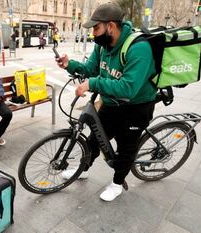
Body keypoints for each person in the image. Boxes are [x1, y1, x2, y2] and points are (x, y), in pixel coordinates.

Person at [56, 3, 156, 202]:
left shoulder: (139, 48)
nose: (93, 33)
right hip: (111, 104)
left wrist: (92, 84)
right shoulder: (103, 46)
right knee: (95, 138)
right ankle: (83, 169)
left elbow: (128, 87)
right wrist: (70, 65)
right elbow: (92, 69)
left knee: (125, 148)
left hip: (136, 107)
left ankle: (117, 184)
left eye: (96, 28)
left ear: (110, 26)